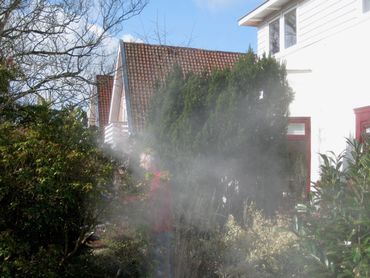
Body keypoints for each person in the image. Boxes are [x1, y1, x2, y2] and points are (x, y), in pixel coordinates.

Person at [140, 152, 174, 278]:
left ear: (150, 163)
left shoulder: (158, 178)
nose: (140, 164)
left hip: (160, 228)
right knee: (162, 264)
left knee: (160, 265)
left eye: (142, 162)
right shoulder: (153, 178)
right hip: (160, 227)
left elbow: (159, 202)